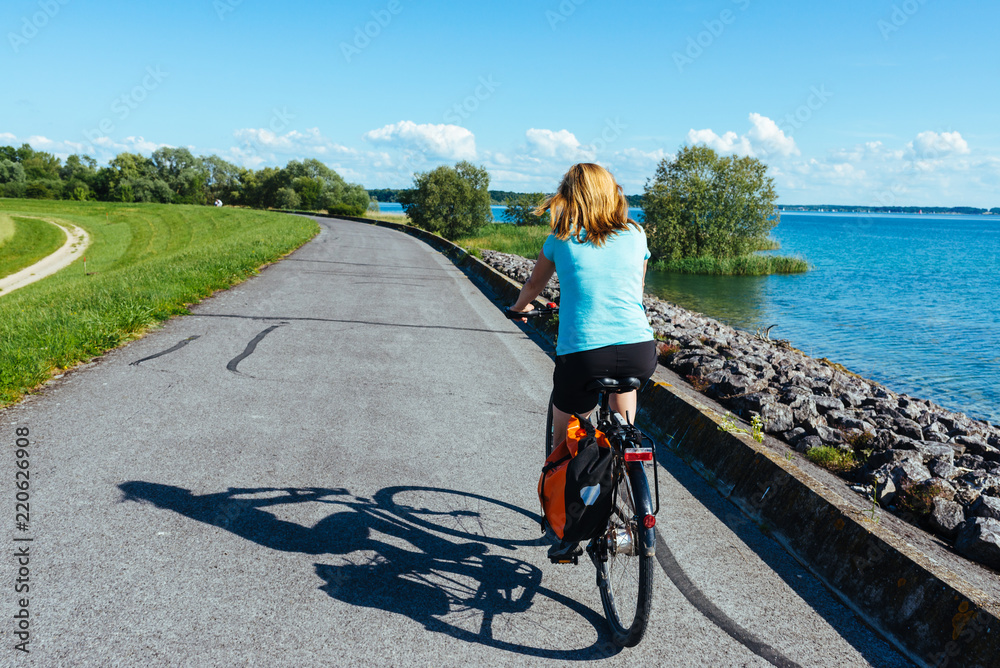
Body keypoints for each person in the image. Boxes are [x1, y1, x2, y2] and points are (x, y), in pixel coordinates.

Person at [508, 163, 656, 557]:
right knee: (623, 424)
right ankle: (622, 467)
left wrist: (519, 308)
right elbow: (634, 291)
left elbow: (534, 284)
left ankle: (569, 531)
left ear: (571, 196)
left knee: (566, 438)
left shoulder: (561, 238)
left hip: (584, 356)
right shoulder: (636, 233)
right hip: (640, 350)